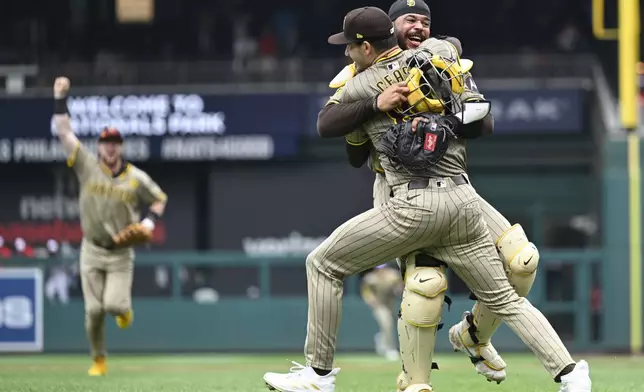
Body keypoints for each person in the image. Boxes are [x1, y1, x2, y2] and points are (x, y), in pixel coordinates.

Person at [263, 7, 591, 392]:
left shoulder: (363, 82)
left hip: (412, 204)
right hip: (463, 201)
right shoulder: (439, 56)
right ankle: (571, 374)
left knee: (322, 264)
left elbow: (324, 123)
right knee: (505, 298)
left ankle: (318, 376)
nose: (346, 54)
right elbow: (460, 64)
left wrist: (375, 104)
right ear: (393, 30)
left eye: (350, 47)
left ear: (366, 47)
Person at [319, 0, 540, 386]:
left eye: (425, 20)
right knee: (426, 286)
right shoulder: (359, 72)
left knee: (522, 260)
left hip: (453, 181)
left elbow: (484, 122)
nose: (419, 26)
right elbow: (351, 151)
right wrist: (374, 109)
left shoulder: (443, 60)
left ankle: (475, 336)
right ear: (389, 29)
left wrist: (438, 121)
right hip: (396, 186)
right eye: (410, 19)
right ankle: (414, 379)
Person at [52, 77, 168, 376]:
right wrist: (60, 99)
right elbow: (64, 132)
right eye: (105, 142)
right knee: (93, 312)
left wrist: (148, 221)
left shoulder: (136, 177)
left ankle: (124, 311)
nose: (110, 147)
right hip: (92, 247)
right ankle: (99, 359)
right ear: (99, 146)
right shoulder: (87, 165)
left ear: (121, 146)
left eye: (115, 142)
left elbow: (159, 200)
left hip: (120, 251)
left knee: (114, 306)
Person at [359, 263, 403, 360]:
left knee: (393, 325)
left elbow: (399, 286)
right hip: (379, 305)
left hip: (391, 304)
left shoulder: (393, 275)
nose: (381, 271)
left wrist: (398, 288)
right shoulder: (370, 278)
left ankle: (382, 338)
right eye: (379, 269)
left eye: (383, 268)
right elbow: (365, 291)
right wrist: (370, 299)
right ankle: (390, 349)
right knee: (387, 323)